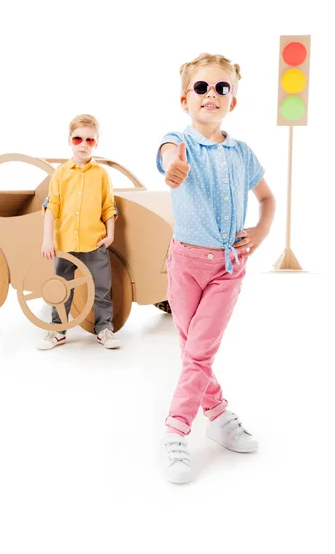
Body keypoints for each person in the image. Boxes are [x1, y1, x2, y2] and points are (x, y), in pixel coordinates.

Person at [157, 53, 276, 483]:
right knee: (193, 350)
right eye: (202, 88)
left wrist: (261, 230)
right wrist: (173, 166)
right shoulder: (178, 142)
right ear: (185, 99)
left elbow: (267, 199)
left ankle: (175, 430)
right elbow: (168, 152)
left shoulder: (242, 153)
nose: (211, 94)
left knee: (200, 351)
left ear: (234, 101)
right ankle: (219, 413)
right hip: (184, 265)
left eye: (221, 88)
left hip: (227, 266)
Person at [37, 114, 120, 351]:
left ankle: (104, 329)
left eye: (90, 140)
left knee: (102, 288)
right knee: (60, 288)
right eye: (78, 139)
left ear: (96, 143)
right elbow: (51, 206)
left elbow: (108, 206)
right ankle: (57, 330)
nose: (83, 144)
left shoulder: (101, 175)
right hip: (64, 244)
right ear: (69, 141)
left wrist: (110, 234)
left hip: (94, 243)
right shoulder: (61, 174)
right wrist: (48, 239)